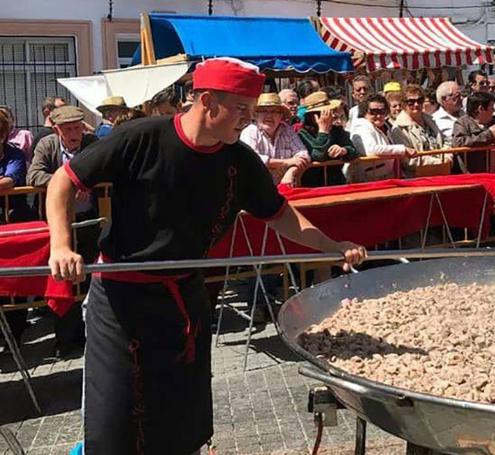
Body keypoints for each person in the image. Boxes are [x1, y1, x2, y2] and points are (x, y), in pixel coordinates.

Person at [45, 57, 366, 455]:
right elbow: (64, 180)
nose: (248, 120)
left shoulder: (238, 159)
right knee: (115, 419)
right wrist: (61, 244)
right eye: (241, 109)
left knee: (182, 413)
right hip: (120, 300)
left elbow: (279, 214)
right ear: (208, 101)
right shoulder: (140, 137)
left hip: (185, 297)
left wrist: (332, 246)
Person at [27, 105, 100, 356]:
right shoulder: (47, 145)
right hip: (59, 226)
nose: (74, 133)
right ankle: (66, 341)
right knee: (64, 281)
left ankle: (91, 337)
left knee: (90, 279)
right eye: (68, 129)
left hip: (89, 222)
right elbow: (33, 175)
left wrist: (88, 180)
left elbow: (106, 168)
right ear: (57, 129)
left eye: (78, 127)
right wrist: (66, 183)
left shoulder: (92, 142)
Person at [0, 110, 29, 350]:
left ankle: (15, 336)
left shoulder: (14, 154)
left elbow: (11, 180)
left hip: (12, 226)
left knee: (14, 282)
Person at [240, 92, 310, 185]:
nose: (269, 115)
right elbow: (252, 159)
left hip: (285, 189)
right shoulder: (250, 131)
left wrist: (291, 172)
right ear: (255, 115)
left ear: (281, 115)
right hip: (256, 191)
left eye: (274, 111)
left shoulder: (287, 131)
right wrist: (286, 162)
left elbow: (304, 155)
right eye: (264, 111)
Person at [349, 94, 416, 182]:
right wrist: (403, 149)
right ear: (364, 111)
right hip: (369, 180)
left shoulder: (384, 126)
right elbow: (371, 150)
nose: (378, 116)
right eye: (373, 111)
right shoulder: (361, 126)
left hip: (386, 177)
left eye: (382, 111)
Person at [299, 91, 359, 187]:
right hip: (312, 186)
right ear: (314, 117)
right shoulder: (302, 134)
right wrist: (323, 131)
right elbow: (318, 156)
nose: (332, 116)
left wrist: (344, 150)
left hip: (337, 183)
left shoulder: (337, 130)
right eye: (325, 113)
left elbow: (354, 152)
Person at [390, 84, 450, 177]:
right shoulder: (398, 129)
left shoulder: (431, 120)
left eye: (420, 100)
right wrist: (438, 162)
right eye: (411, 102)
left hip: (442, 172)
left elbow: (445, 141)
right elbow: (407, 161)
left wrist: (447, 157)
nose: (416, 104)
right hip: (417, 177)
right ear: (403, 104)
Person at [453, 92, 495, 173]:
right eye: (492, 107)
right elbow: (459, 143)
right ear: (480, 109)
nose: (494, 110)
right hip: (475, 175)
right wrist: (490, 134)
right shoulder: (462, 123)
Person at [432, 81, 464, 148]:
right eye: (457, 96)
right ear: (444, 99)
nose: (461, 98)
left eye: (461, 95)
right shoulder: (435, 120)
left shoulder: (467, 115)